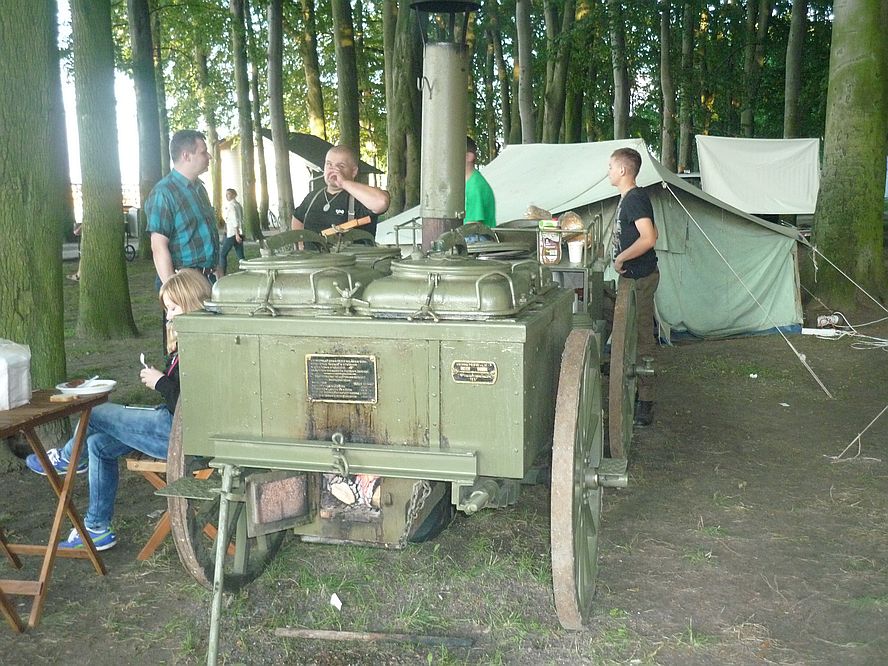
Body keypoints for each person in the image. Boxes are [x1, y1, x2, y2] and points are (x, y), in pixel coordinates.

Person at [25, 270, 212, 551]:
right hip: (175, 428)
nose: (169, 316)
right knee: (98, 444)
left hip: (184, 437)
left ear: (193, 303)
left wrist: (160, 382)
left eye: (174, 308)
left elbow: (192, 405)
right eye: (167, 309)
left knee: (97, 412)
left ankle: (66, 460)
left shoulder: (202, 346)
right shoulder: (190, 340)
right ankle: (97, 528)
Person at [607, 147, 659, 427]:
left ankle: (646, 402)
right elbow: (654, 232)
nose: (609, 171)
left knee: (641, 338)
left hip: (640, 278)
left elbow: (649, 238)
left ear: (623, 170)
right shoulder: (631, 199)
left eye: (611, 167)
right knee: (631, 336)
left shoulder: (634, 198)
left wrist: (621, 257)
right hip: (634, 278)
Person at [145, 130, 221, 285]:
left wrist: (217, 270)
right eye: (204, 152)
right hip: (185, 283)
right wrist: (174, 291)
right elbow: (159, 247)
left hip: (209, 279)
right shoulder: (163, 193)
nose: (209, 157)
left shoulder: (200, 189)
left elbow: (207, 235)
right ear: (186, 156)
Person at [290, 145, 390, 238]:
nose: (333, 169)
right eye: (329, 164)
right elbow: (297, 219)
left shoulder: (361, 199)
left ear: (354, 171)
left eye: (341, 166)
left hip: (351, 256)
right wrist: (300, 243)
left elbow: (382, 202)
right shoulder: (312, 197)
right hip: (313, 257)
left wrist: (343, 183)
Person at [464, 136, 496, 227]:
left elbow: (472, 229)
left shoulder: (475, 187)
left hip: (479, 239)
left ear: (469, 157)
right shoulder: (468, 183)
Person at [220, 188, 245, 274]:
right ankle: (246, 270)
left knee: (222, 254)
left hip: (232, 234)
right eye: (226, 194)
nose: (227, 196)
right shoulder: (238, 205)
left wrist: (236, 234)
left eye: (229, 194)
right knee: (240, 255)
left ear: (234, 195)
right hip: (238, 233)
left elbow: (235, 220)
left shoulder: (231, 206)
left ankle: (222, 273)